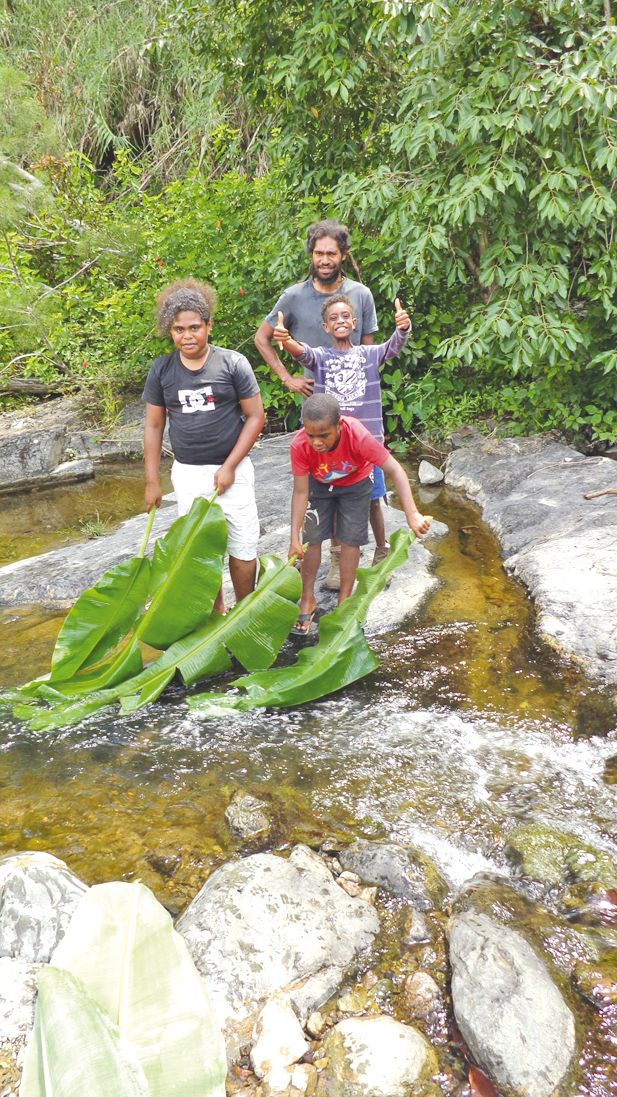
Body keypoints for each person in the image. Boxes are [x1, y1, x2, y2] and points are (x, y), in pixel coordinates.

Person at [254, 218, 380, 588]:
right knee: (316, 480)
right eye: (319, 252)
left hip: (355, 411)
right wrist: (286, 378)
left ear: (343, 255)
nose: (325, 259)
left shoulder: (361, 295)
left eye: (332, 253)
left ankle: (343, 556)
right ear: (311, 254)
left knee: (357, 483)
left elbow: (369, 350)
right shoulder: (293, 297)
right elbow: (262, 338)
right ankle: (308, 553)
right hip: (317, 408)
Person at [142, 278, 265, 613]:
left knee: (242, 545)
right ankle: (216, 618)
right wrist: (153, 481)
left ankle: (244, 612)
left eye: (195, 327)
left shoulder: (232, 364)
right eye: (179, 329)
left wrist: (229, 467)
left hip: (233, 471)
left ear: (209, 326)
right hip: (188, 474)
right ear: (170, 331)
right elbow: (154, 425)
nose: (187, 336)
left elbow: (255, 417)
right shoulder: (162, 370)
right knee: (200, 552)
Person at [274, 293, 411, 568]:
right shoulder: (321, 358)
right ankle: (337, 557)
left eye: (345, 316)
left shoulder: (369, 354)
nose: (340, 321)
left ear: (355, 322)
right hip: (332, 448)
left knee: (373, 501)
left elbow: (393, 346)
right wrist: (285, 339)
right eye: (333, 318)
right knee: (335, 502)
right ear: (325, 326)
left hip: (367, 444)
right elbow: (301, 351)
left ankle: (382, 551)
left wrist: (403, 327)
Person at [288, 394, 429, 635]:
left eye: (324, 435)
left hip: (356, 484)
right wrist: (293, 537)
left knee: (350, 540)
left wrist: (412, 513)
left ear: (339, 425)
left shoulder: (358, 436)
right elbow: (301, 492)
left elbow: (395, 469)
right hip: (319, 486)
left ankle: (345, 602)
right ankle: (307, 599)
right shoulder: (300, 445)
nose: (317, 442)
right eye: (311, 435)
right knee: (311, 540)